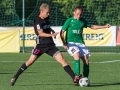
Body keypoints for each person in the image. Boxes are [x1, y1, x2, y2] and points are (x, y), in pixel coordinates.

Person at [10, 3, 80, 86]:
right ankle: (15, 77)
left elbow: (47, 26)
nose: (48, 14)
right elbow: (41, 33)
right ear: (42, 11)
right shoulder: (37, 20)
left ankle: (74, 78)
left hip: (50, 45)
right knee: (30, 62)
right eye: (47, 12)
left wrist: (52, 30)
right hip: (40, 46)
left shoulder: (47, 18)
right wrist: (52, 35)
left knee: (62, 60)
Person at [60, 6, 110, 78]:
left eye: (80, 14)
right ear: (74, 12)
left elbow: (92, 26)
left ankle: (85, 78)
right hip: (71, 43)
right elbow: (62, 32)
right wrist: (64, 43)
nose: (79, 16)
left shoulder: (82, 21)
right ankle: (77, 76)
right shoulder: (69, 20)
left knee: (86, 59)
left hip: (80, 43)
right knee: (77, 54)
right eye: (77, 14)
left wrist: (104, 26)